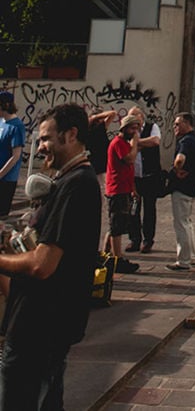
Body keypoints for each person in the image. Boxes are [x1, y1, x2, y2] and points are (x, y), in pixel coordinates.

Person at [0, 102, 101, 410]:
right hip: (42, 323)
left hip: (39, 326)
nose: (41, 146)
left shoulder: (76, 185)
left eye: (46, 138)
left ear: (71, 135)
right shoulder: (69, 180)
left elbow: (43, 265)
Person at [166, 112, 195, 271]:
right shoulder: (194, 139)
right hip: (192, 186)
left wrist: (175, 170)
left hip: (183, 187)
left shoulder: (186, 141)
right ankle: (192, 256)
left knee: (181, 223)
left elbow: (180, 159)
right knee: (187, 223)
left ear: (187, 124)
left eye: (178, 124)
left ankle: (183, 260)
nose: (175, 127)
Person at [105, 115, 141, 273]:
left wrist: (133, 188)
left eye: (136, 129)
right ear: (124, 128)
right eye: (132, 128)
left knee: (117, 224)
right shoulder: (119, 143)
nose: (135, 132)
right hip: (117, 189)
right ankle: (117, 258)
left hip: (124, 188)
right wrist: (135, 144)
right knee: (116, 226)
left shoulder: (125, 143)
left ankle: (107, 254)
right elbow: (130, 159)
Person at [125, 107, 162, 254]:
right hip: (134, 177)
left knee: (149, 209)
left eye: (134, 117)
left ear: (141, 117)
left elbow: (155, 141)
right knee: (133, 210)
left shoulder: (152, 127)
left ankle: (148, 240)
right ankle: (134, 239)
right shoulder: (128, 131)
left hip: (150, 176)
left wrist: (136, 142)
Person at [0, 92, 25, 217]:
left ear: (6, 105)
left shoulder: (17, 126)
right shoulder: (1, 123)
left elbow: (16, 156)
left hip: (6, 179)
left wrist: (1, 174)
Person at [87, 108, 118, 190]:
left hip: (95, 166)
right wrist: (95, 117)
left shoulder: (87, 131)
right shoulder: (99, 129)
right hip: (102, 166)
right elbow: (113, 113)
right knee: (103, 190)